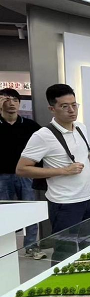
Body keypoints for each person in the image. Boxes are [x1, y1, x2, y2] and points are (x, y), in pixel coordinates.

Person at [17, 84, 90, 259]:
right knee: (65, 253)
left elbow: (81, 155)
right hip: (65, 203)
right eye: (65, 106)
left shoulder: (80, 127)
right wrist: (63, 170)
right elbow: (22, 169)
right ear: (52, 109)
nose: (72, 110)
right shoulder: (43, 135)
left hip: (89, 198)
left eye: (74, 105)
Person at [0, 88, 43, 258]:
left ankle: (31, 246)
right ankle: (6, 249)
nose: (11, 103)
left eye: (15, 100)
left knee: (30, 210)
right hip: (2, 176)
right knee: (5, 212)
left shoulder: (30, 126)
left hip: (26, 176)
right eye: (6, 99)